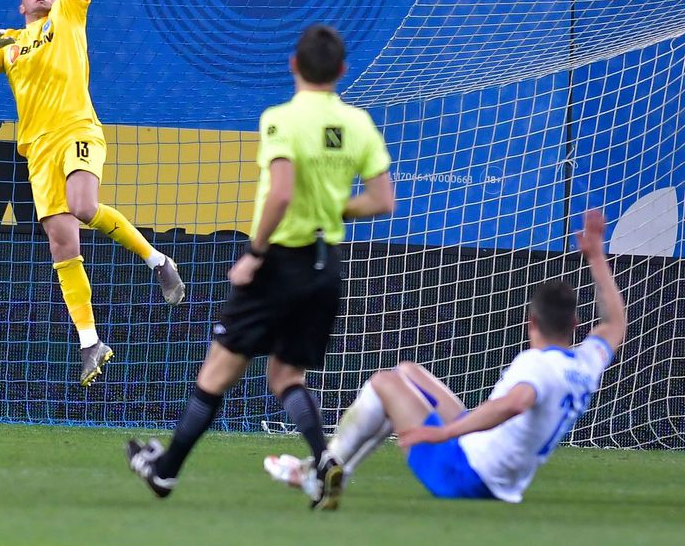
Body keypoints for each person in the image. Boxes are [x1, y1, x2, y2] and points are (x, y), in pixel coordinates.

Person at [127, 23, 395, 506]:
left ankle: (164, 473)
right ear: (342, 71)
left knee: (215, 375)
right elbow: (382, 200)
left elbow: (284, 191)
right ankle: (326, 462)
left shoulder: (281, 118)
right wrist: (334, 207)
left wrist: (253, 255)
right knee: (287, 377)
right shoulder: (358, 124)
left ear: (293, 64)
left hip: (278, 262)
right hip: (325, 265)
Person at [0, 0, 186, 388]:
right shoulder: (11, 44)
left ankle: (158, 261)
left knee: (83, 209)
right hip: (37, 151)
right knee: (63, 244)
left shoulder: (69, 11)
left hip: (78, 130)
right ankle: (90, 343)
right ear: (20, 4)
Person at [264, 208, 625, 507]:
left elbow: (514, 403)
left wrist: (442, 433)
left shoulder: (538, 365)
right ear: (576, 324)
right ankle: (331, 473)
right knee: (407, 372)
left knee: (384, 384)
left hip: (464, 475)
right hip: (493, 467)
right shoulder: (584, 364)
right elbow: (614, 323)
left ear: (531, 321)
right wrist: (596, 257)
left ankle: (319, 472)